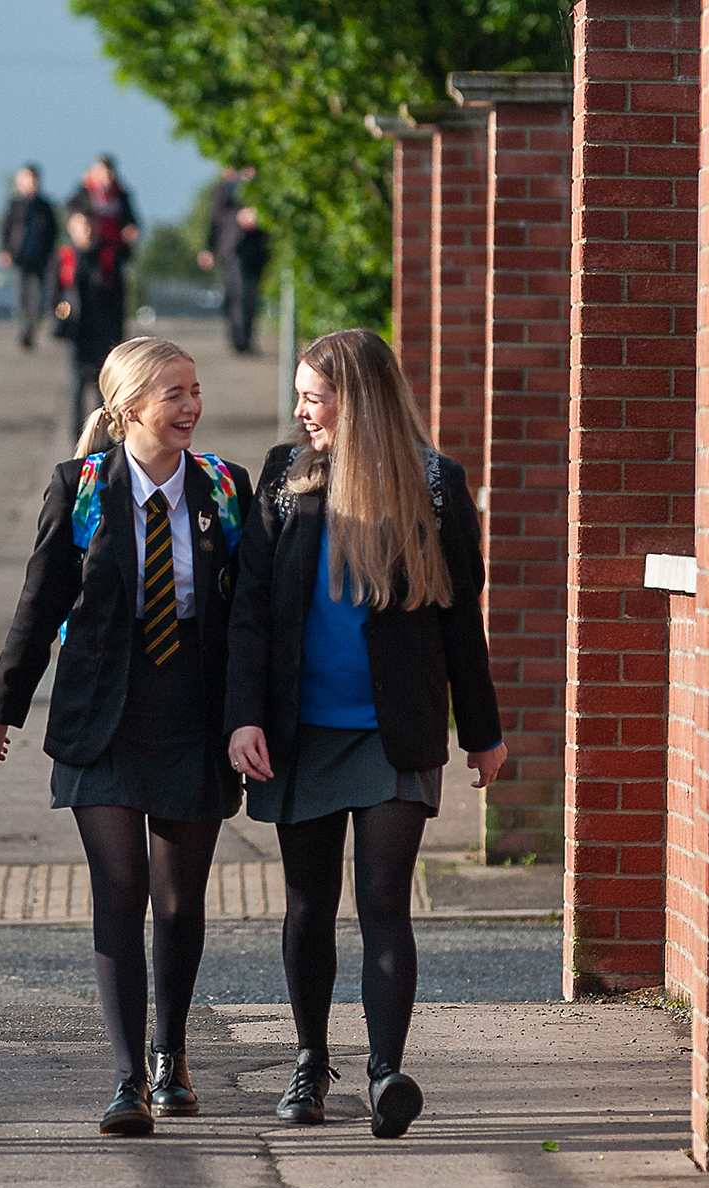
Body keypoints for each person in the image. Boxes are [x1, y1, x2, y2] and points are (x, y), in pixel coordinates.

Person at [223, 327, 505, 1140]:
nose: (301, 410)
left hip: (395, 731)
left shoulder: (437, 487)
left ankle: (386, 1071)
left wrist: (481, 730)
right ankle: (310, 1064)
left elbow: (461, 622)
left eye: (315, 395)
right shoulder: (285, 476)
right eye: (302, 396)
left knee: (385, 898)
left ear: (359, 399)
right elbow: (250, 612)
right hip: (299, 732)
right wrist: (244, 716)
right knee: (310, 902)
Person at [0, 336, 250, 1137]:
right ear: (129, 408)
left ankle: (172, 1054)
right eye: (175, 393)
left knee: (178, 899)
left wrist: (249, 716)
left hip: (192, 714)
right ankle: (129, 1076)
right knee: (120, 889)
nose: (192, 406)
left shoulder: (225, 492)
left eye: (196, 391)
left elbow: (250, 619)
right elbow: (37, 606)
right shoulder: (83, 490)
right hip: (103, 717)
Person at [51, 209, 126, 447]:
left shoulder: (107, 256)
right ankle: (79, 440)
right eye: (80, 225)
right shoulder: (65, 258)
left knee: (105, 389)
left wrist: (119, 332)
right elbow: (52, 295)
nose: (86, 230)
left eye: (89, 225)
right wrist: (58, 320)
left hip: (104, 331)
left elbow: (119, 297)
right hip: (76, 332)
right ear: (71, 228)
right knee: (76, 388)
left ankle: (107, 439)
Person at [0, 165, 59, 351]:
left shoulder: (45, 206)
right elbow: (5, 229)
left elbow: (53, 232)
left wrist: (51, 253)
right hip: (20, 258)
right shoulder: (14, 205)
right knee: (22, 297)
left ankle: (31, 330)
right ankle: (23, 329)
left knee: (38, 299)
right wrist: (4, 251)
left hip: (40, 259)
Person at [70, 154, 139, 270]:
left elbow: (132, 220)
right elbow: (70, 207)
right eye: (102, 171)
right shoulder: (86, 191)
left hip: (114, 248)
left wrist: (129, 229)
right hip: (91, 247)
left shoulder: (121, 194)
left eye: (109, 171)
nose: (106, 175)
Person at [222, 207, 271, 356]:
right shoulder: (229, 188)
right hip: (236, 252)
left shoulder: (262, 188)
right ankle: (238, 340)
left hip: (256, 252)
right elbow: (217, 215)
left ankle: (246, 339)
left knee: (251, 300)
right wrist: (239, 216)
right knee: (237, 297)